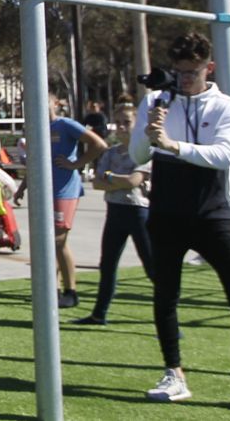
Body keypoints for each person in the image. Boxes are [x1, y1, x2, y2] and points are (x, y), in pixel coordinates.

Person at [132, 32, 230, 417]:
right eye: (179, 71)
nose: (184, 78)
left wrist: (171, 145)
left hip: (213, 211)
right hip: (166, 212)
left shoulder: (228, 107)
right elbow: (136, 155)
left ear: (208, 68)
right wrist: (151, 131)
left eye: (192, 71)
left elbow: (225, 155)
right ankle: (174, 374)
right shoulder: (156, 100)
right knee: (166, 295)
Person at [73, 103, 154, 326]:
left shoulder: (144, 151)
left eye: (126, 122)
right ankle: (99, 313)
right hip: (115, 212)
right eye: (117, 122)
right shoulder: (110, 152)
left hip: (138, 212)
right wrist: (114, 179)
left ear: (137, 125)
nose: (121, 127)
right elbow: (97, 183)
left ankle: (168, 318)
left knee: (151, 266)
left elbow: (134, 181)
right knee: (107, 265)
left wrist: (110, 178)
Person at [47, 94, 108, 308]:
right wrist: (22, 189)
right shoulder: (36, 127)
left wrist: (76, 164)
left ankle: (70, 291)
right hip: (44, 192)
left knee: (58, 241)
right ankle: (50, 290)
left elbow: (98, 144)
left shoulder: (65, 125)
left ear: (55, 103)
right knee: (47, 242)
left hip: (65, 191)